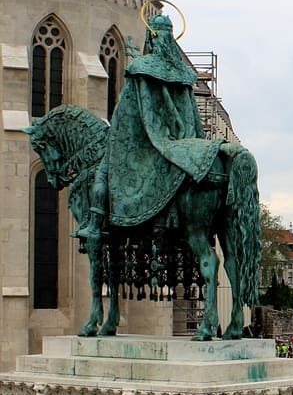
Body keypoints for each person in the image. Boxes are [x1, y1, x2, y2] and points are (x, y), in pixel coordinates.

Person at [74, 14, 223, 244]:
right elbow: (191, 113)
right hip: (183, 141)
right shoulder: (184, 74)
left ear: (151, 39)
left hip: (151, 139)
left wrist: (118, 135)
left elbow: (127, 110)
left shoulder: (141, 68)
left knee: (104, 170)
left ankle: (94, 224)